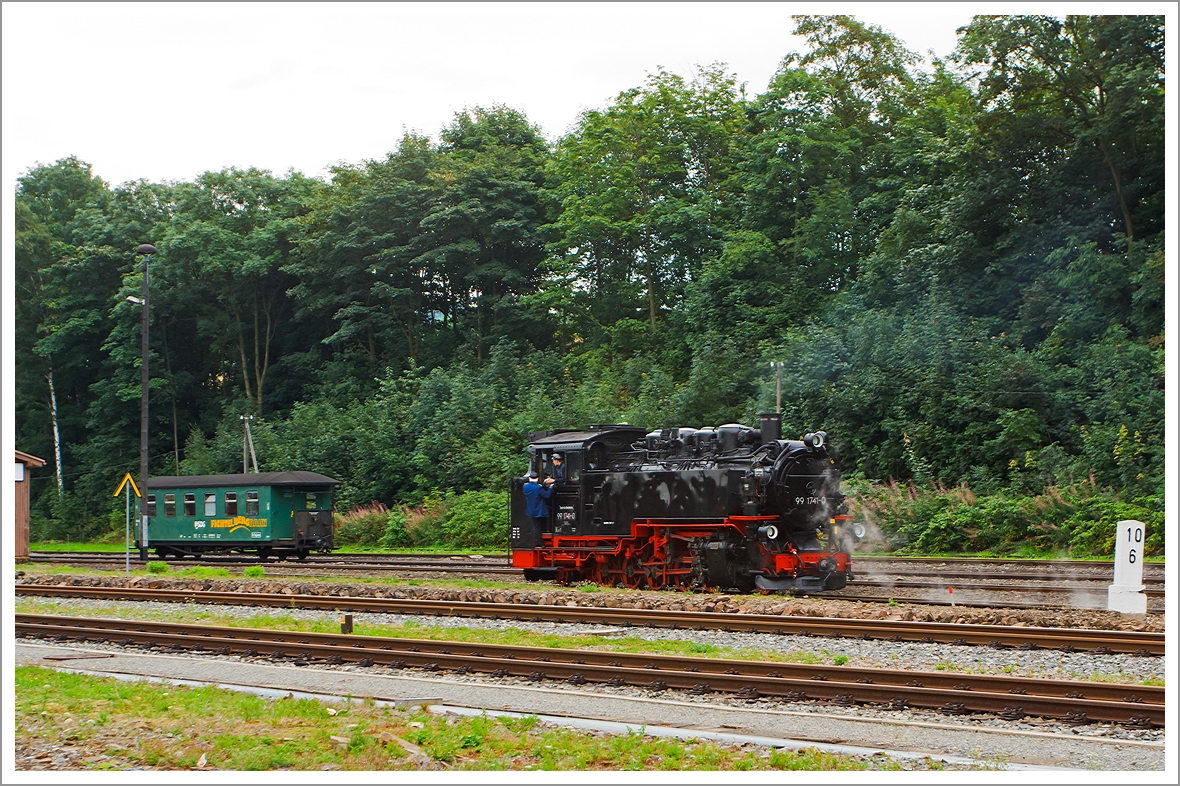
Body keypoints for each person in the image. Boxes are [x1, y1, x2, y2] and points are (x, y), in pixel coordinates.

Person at [522, 471, 554, 546]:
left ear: (529, 478)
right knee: (541, 524)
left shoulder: (525, 487)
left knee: (536, 526)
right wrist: (551, 487)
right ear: (537, 479)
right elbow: (547, 495)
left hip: (531, 510)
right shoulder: (538, 488)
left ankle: (538, 542)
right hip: (539, 510)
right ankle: (541, 542)